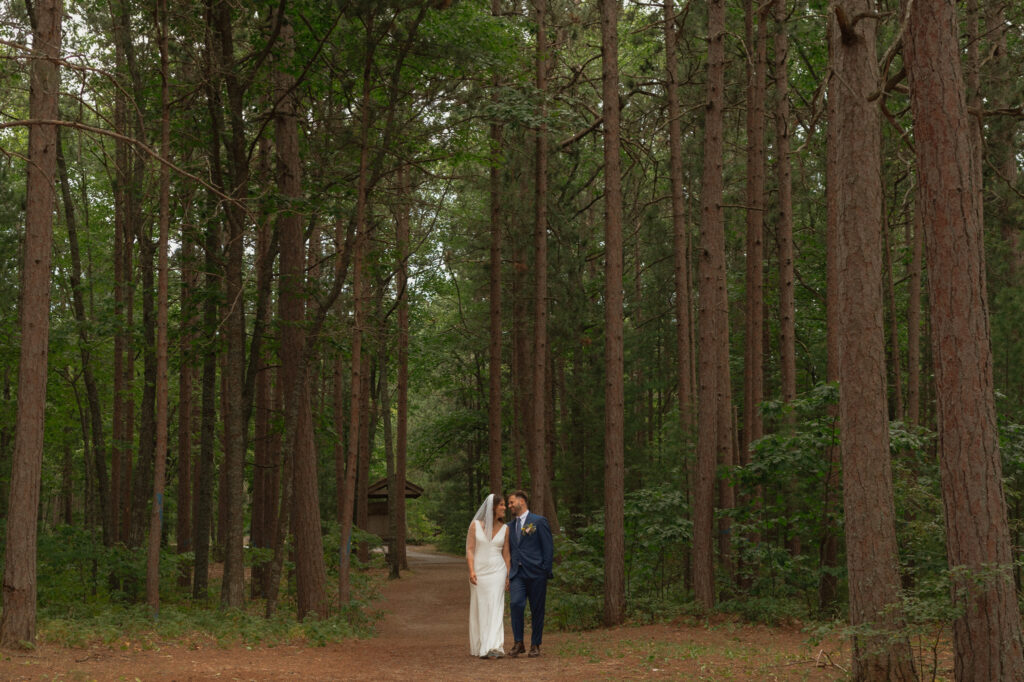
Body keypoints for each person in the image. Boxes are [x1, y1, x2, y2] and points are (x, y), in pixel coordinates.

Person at [506, 490, 554, 658]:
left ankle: (535, 644)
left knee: (537, 609)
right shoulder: (509, 527)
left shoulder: (538, 522)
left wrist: (544, 570)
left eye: (512, 502)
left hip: (536, 573)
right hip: (517, 574)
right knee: (516, 604)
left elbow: (548, 548)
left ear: (522, 502)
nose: (509, 506)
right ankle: (518, 642)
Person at [466, 492, 510, 659]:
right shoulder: (475, 525)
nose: (505, 508)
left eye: (505, 505)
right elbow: (470, 549)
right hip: (479, 571)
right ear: (493, 507)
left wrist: (508, 576)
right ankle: (482, 644)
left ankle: (495, 646)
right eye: (502, 505)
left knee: (496, 606)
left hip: (498, 570)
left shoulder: (506, 529)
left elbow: (507, 555)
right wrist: (471, 570)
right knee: (482, 606)